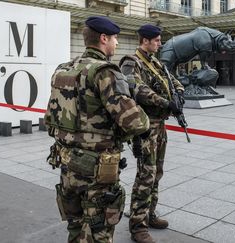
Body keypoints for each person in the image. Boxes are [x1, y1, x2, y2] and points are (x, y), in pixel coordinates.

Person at [44, 16, 150, 243]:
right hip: (96, 169)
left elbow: (52, 116)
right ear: (103, 39)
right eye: (115, 39)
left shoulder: (63, 69)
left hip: (66, 164)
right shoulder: (105, 72)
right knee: (99, 230)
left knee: (75, 226)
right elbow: (134, 121)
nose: (117, 44)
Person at [119, 24, 185, 243]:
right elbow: (136, 89)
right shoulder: (131, 62)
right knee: (145, 174)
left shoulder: (156, 62)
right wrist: (165, 102)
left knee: (157, 172)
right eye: (156, 40)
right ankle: (138, 226)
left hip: (160, 125)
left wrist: (179, 94)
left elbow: (171, 81)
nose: (159, 43)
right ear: (144, 41)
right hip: (146, 127)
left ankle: (149, 214)